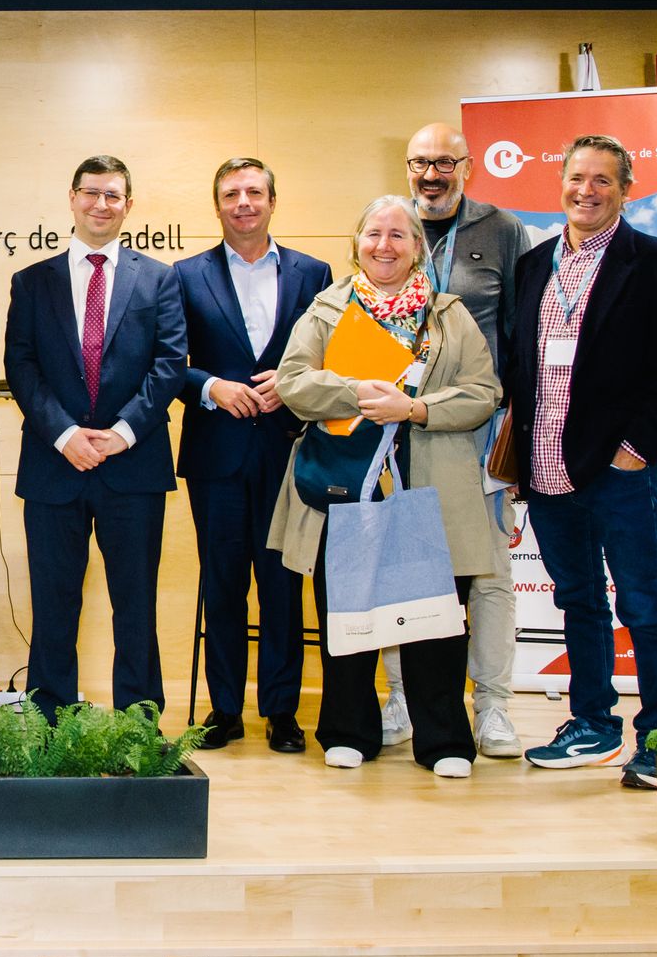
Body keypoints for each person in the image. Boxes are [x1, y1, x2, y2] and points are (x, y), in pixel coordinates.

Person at [268, 195, 500, 777]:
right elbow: (294, 383)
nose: (385, 245)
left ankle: (444, 740)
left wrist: (416, 408)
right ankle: (348, 731)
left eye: (399, 235)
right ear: (357, 242)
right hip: (347, 492)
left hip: (431, 491)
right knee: (345, 613)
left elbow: (482, 393)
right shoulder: (326, 309)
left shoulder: (449, 315)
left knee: (436, 621)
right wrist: (364, 394)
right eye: (374, 233)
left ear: (417, 246)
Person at [509, 136, 657, 790]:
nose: (585, 190)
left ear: (624, 189)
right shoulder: (532, 265)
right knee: (577, 601)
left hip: (617, 472)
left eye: (601, 180)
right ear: (558, 183)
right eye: (575, 177)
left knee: (644, 604)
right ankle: (592, 723)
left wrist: (634, 451)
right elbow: (520, 367)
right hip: (545, 467)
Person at [5, 156, 186, 716]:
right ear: (72, 198)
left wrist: (123, 432)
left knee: (135, 606)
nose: (100, 205)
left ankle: (139, 724)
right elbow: (22, 366)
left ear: (128, 205)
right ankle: (48, 720)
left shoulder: (159, 278)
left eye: (113, 196)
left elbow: (170, 363)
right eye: (91, 193)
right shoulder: (32, 281)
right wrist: (65, 435)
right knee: (53, 607)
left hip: (132, 466)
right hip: (54, 466)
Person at [380, 123, 532, 757]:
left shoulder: (503, 230)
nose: (431, 175)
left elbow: (525, 333)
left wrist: (520, 436)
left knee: (490, 573)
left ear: (467, 167)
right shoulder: (389, 229)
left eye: (445, 162)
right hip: (401, 434)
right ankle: (402, 700)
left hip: (480, 434)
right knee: (400, 571)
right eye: (419, 162)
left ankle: (493, 706)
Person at [174, 159, 331, 755]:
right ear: (217, 206)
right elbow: (167, 362)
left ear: (273, 200)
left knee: (283, 584)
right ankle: (224, 709)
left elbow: (330, 357)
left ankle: (282, 711)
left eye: (255, 192)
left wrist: (292, 386)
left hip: (290, 450)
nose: (244, 202)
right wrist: (212, 387)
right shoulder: (186, 275)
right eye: (231, 194)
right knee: (223, 584)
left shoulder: (312, 273)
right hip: (216, 452)